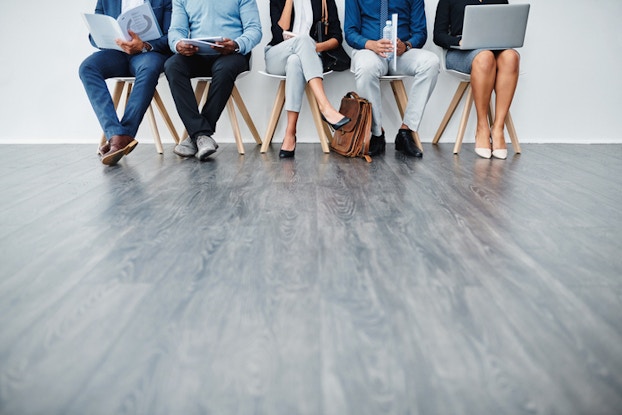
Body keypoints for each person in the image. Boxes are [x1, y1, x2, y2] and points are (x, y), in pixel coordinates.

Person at [165, 0, 262, 160]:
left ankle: (197, 135)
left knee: (224, 69)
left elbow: (254, 29)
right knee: (172, 65)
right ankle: (202, 135)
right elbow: (176, 30)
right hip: (197, 54)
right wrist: (178, 44)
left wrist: (236, 44)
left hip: (232, 53)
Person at [79, 0, 173, 166]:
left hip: (148, 52)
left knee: (149, 68)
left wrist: (144, 45)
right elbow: (93, 36)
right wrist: (111, 39)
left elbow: (171, 36)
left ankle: (121, 138)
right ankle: (117, 135)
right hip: (117, 52)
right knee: (87, 68)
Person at [344, 0, 439, 158]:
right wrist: (370, 44)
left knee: (431, 62)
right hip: (370, 50)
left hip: (400, 53)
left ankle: (406, 131)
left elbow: (420, 33)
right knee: (366, 68)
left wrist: (407, 45)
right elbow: (350, 32)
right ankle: (376, 133)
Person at [433, 0, 519, 160]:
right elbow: (438, 35)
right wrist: (458, 42)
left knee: (511, 57)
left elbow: (505, 30)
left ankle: (498, 128)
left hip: (494, 49)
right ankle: (482, 127)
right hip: (460, 53)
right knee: (485, 57)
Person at [265, 0, 351, 158]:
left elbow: (336, 37)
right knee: (303, 41)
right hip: (277, 55)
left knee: (295, 61)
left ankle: (290, 134)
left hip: (307, 58)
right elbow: (278, 34)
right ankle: (325, 107)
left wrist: (313, 47)